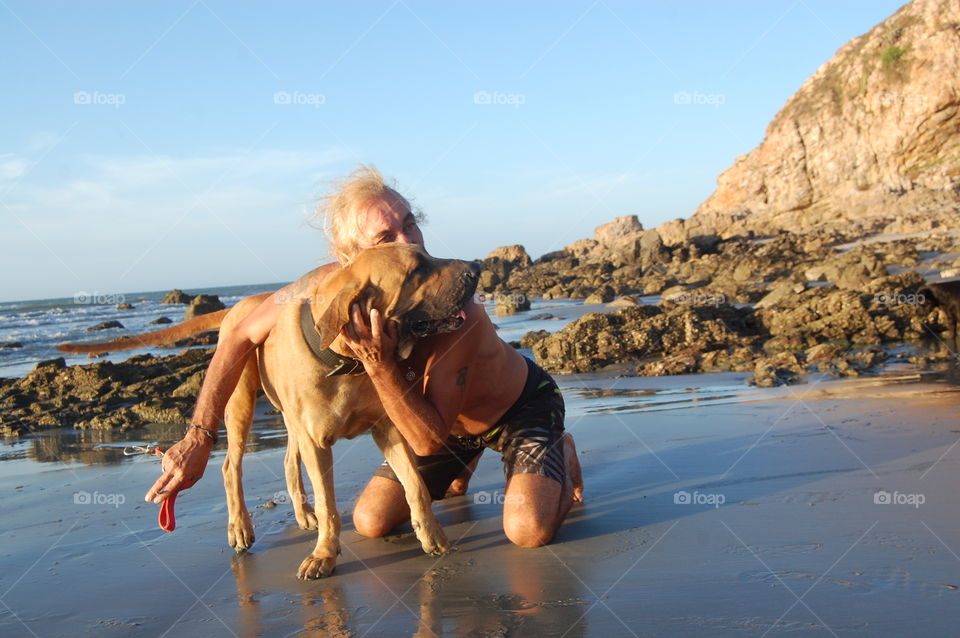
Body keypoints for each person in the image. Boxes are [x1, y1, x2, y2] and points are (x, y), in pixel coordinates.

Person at [145, 166, 582, 547]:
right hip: (443, 424)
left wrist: (378, 362)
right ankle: (463, 462)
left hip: (516, 411)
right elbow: (239, 333)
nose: (408, 242)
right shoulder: (327, 284)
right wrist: (199, 435)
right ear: (349, 258)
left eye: (410, 225)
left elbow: (426, 441)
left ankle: (560, 449)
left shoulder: (453, 306)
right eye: (385, 237)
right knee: (371, 522)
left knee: (527, 531)